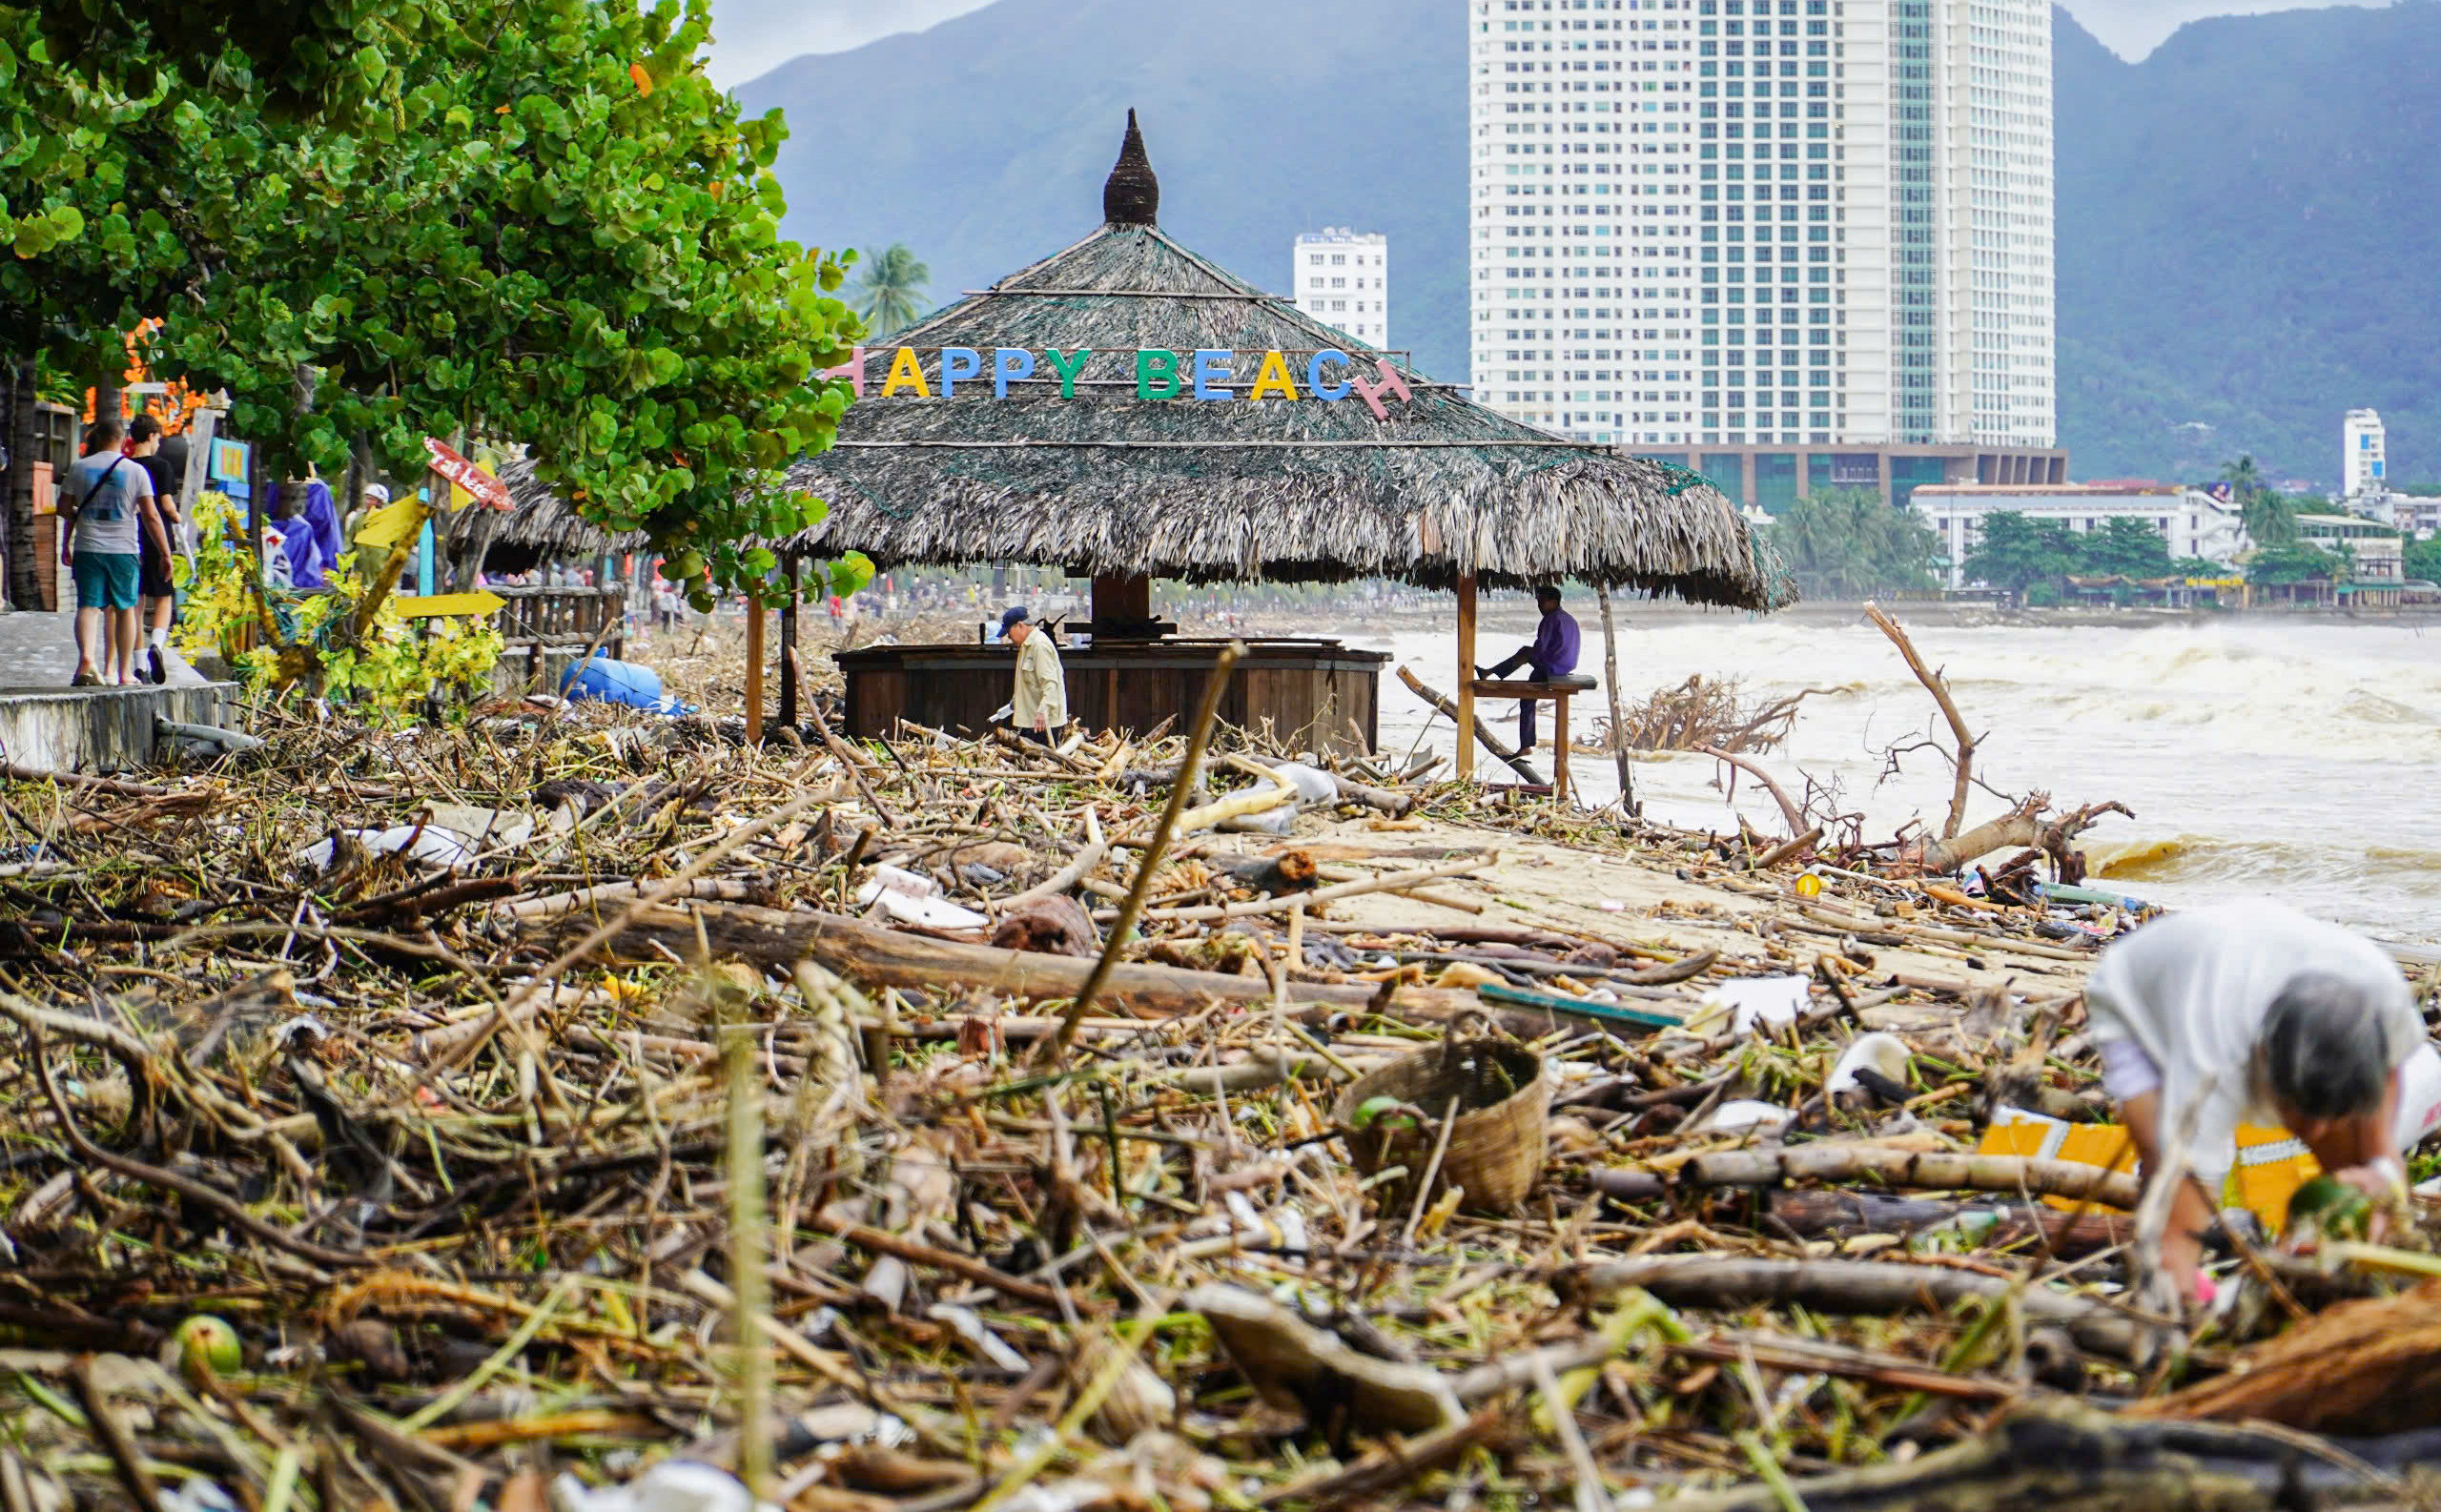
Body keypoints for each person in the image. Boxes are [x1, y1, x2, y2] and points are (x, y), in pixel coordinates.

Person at [2085, 899, 2441, 1302]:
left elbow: (2382, 1137)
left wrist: (2383, 1175)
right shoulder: (2214, 1051)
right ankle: (2167, 1289)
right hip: (2135, 998)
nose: (2313, 1134)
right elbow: (2191, 1174)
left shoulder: (2382, 998)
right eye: (2300, 1113)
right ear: (2261, 1061)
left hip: (2256, 968)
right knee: (2163, 1168)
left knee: (2356, 1160)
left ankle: (2330, 1266)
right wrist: (2179, 1293)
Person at [58, 414, 169, 687]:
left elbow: (64, 509)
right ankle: (123, 673)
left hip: (88, 547)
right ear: (123, 440)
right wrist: (166, 554)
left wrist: (68, 539)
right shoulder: (135, 471)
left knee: (88, 606)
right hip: (124, 550)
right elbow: (152, 516)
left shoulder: (79, 468)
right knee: (125, 608)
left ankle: (86, 663)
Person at [1477, 583, 1581, 752]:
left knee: (1525, 654)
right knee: (1530, 690)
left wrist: (1530, 656)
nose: (1539, 606)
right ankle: (1489, 672)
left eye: (1542, 602)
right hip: (1565, 666)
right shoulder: (1569, 619)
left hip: (1553, 666)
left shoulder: (1550, 619)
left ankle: (1489, 673)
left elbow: (1541, 648)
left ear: (1553, 602)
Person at [129, 416, 182, 684]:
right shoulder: (161, 466)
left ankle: (139, 665)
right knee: (164, 596)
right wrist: (178, 517)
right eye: (158, 437)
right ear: (151, 436)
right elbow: (167, 505)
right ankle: (157, 645)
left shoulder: (124, 466)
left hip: (129, 536)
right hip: (157, 537)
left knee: (135, 602)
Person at [1001, 605, 1069, 744]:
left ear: (1020, 625)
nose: (1009, 638)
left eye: (1009, 633)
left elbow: (1051, 683)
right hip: (1032, 718)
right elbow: (1026, 681)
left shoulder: (1040, 646)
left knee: (1042, 763)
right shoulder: (1026, 646)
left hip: (1043, 722)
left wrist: (1043, 711)